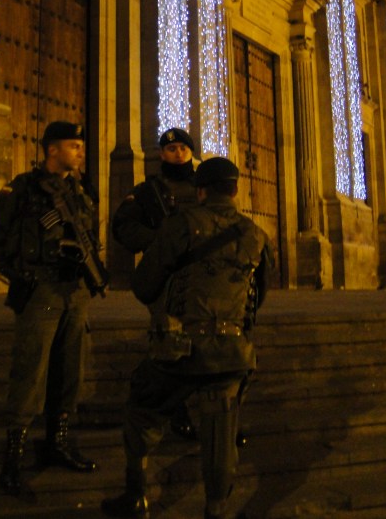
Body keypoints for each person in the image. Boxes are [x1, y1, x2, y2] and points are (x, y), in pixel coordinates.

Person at [102, 157, 273, 519]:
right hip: (232, 352)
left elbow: (144, 286)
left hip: (180, 351)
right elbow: (261, 293)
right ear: (235, 189)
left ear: (200, 190)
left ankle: (136, 495)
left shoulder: (181, 225)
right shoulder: (255, 234)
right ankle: (216, 509)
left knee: (142, 405)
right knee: (222, 430)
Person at [0, 121, 101, 496]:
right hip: (42, 290)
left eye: (80, 146)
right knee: (30, 371)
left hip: (74, 291)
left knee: (69, 369)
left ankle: (57, 442)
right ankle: (14, 456)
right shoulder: (22, 189)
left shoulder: (81, 192)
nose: (80, 152)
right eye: (73, 146)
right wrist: (20, 276)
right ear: (52, 150)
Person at [111, 127, 198, 440]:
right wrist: (157, 243)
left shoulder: (204, 188)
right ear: (162, 154)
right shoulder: (149, 191)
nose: (177, 154)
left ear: (191, 152)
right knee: (169, 342)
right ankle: (176, 410)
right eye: (171, 149)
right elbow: (122, 226)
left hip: (201, 278)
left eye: (183, 149)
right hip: (166, 278)